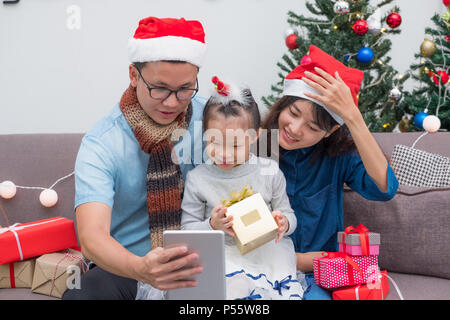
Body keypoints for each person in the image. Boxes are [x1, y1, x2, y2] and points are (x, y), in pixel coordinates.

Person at [63, 17, 208, 300]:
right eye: (160, 88)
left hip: (203, 261)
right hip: (128, 267)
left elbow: (271, 146)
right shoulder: (102, 142)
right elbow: (92, 239)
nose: (172, 102)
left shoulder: (213, 119)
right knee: (81, 293)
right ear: (133, 75)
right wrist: (141, 268)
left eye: (185, 89)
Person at [261, 45, 399, 300]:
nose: (294, 129)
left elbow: (384, 189)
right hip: (259, 270)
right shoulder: (254, 145)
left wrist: (353, 117)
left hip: (319, 277)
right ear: (282, 105)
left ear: (331, 131)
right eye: (293, 113)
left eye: (313, 127)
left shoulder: (339, 154)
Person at [158, 77, 302, 300]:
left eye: (235, 145)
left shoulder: (269, 171)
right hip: (221, 255)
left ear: (254, 137)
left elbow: (290, 216)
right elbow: (187, 229)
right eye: (214, 142)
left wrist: (283, 223)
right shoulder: (199, 179)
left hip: (264, 255)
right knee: (233, 286)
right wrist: (211, 225)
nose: (224, 153)